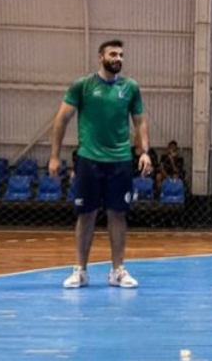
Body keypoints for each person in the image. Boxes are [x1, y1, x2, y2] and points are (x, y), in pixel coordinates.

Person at [49, 40, 151, 289]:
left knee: (118, 215)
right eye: (113, 54)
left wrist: (144, 151)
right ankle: (80, 271)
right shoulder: (82, 86)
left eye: (121, 55)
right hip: (89, 160)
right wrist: (54, 156)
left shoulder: (130, 88)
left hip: (120, 161)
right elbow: (61, 120)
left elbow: (139, 122)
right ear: (100, 57)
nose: (118, 58)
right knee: (86, 216)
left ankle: (117, 271)